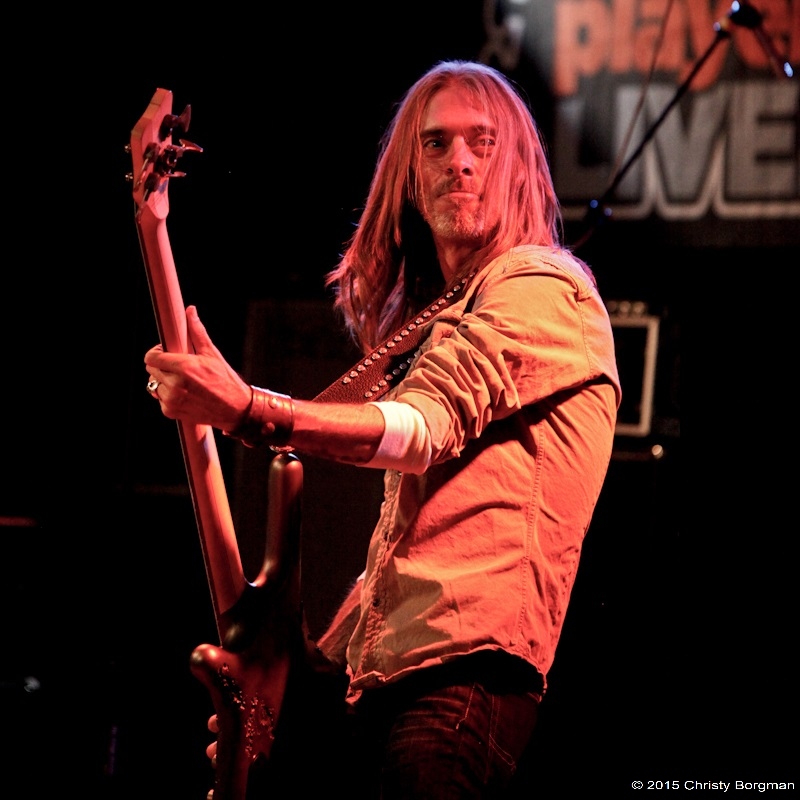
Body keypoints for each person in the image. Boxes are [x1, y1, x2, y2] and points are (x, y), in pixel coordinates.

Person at [144, 60, 621, 798]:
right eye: (435, 143)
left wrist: (248, 410)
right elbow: (407, 567)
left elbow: (421, 427)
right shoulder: (449, 313)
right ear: (410, 177)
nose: (460, 161)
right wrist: (292, 689)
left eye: (483, 142)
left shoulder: (543, 286)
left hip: (460, 685)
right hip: (389, 688)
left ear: (521, 168)